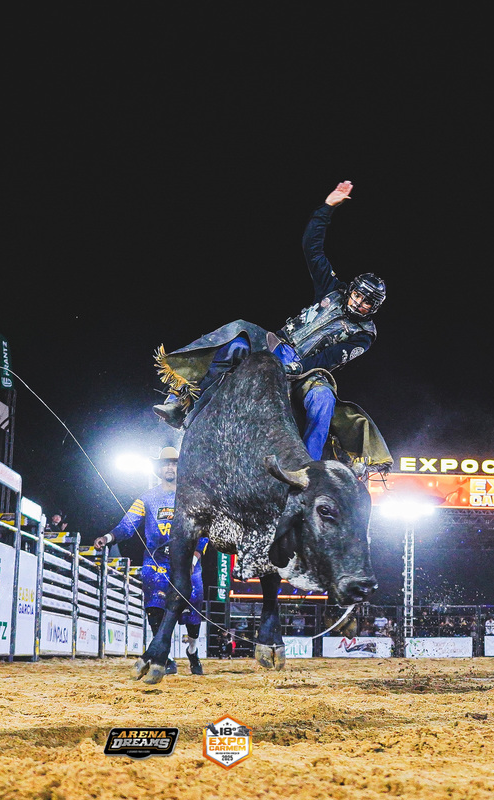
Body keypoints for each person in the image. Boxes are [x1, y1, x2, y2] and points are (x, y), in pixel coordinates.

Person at [150, 181, 391, 469]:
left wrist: (297, 368)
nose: (358, 302)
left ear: (373, 308)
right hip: (277, 343)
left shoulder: (364, 334)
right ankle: (180, 401)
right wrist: (326, 208)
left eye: (366, 302)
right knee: (237, 336)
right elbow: (312, 249)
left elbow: (331, 356)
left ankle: (306, 466)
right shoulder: (332, 290)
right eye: (358, 295)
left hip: (310, 371)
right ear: (351, 290)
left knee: (323, 400)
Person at [92, 447, 208, 676]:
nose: (170, 467)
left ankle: (192, 650)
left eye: (174, 463)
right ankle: (165, 657)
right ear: (159, 469)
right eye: (165, 463)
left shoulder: (193, 497)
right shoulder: (147, 498)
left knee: (193, 613)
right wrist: (108, 537)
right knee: (155, 606)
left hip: (187, 563)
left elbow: (204, 530)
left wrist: (195, 557)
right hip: (157, 562)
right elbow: (128, 525)